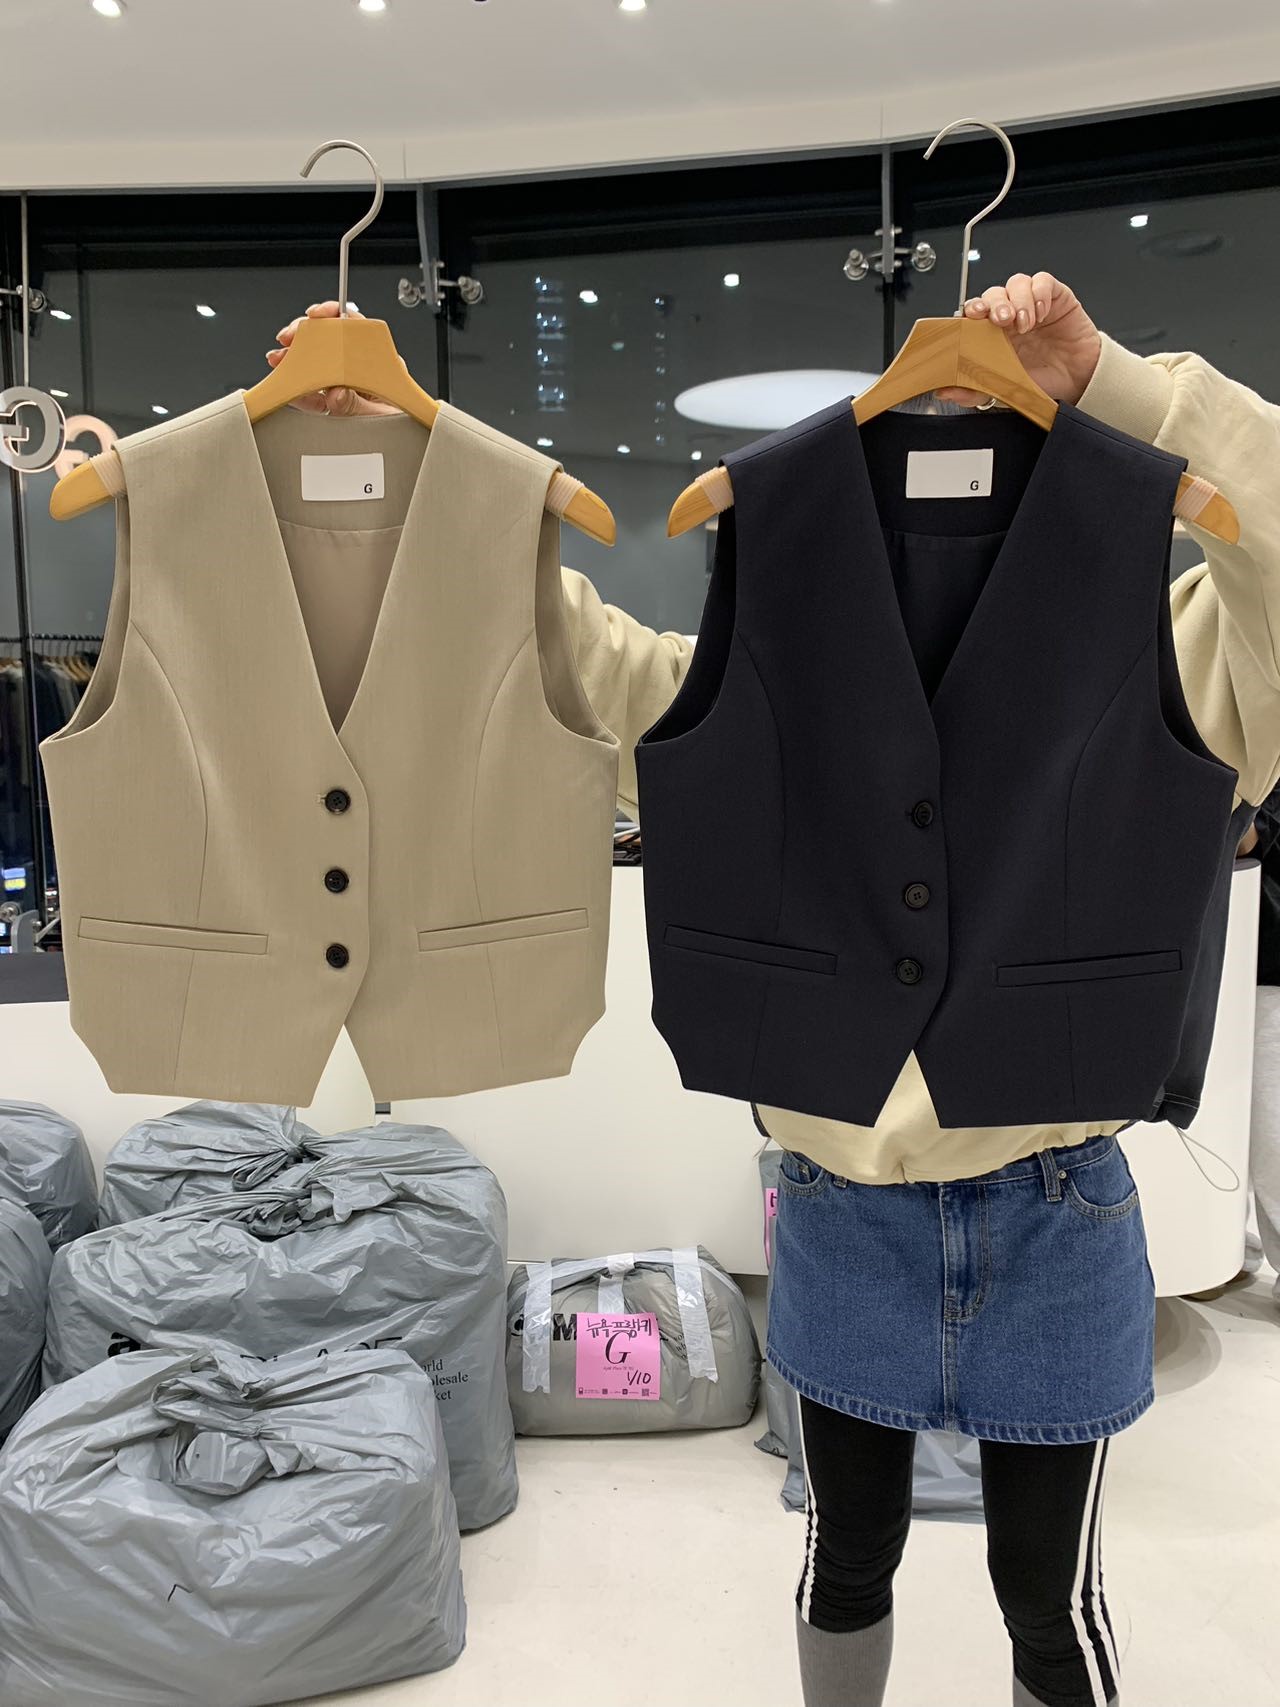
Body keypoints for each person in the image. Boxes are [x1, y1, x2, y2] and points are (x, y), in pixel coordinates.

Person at [269, 276, 1280, 1707]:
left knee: (1049, 1604)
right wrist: (403, 463)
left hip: (1055, 1214)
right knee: (844, 1557)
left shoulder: (1184, 652)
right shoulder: (767, 635)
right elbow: (574, 660)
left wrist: (1120, 385)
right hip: (839, 1212)